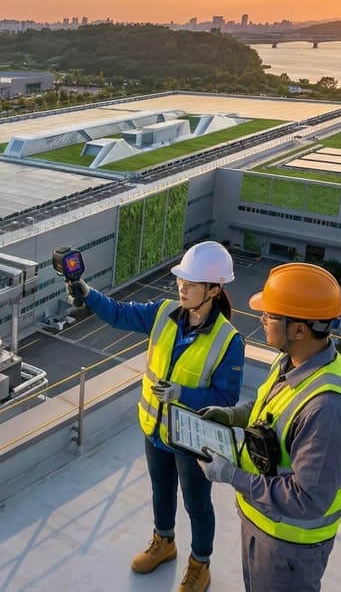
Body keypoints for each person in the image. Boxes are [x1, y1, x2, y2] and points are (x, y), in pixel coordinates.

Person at [68, 241, 243, 592]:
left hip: (192, 440)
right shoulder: (163, 313)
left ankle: (199, 564)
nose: (182, 287)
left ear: (214, 290)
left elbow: (227, 399)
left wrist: (183, 394)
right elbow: (119, 313)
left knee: (197, 503)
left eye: (191, 284)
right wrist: (86, 292)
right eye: (181, 280)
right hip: (156, 430)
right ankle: (164, 543)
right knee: (161, 490)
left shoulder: (229, 340)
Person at [197, 262, 341, 592]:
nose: (262, 319)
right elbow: (266, 411)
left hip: (289, 550)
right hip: (263, 525)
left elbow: (308, 499)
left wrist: (231, 476)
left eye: (270, 315)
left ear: (298, 330)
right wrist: (231, 416)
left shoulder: (328, 409)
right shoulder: (292, 360)